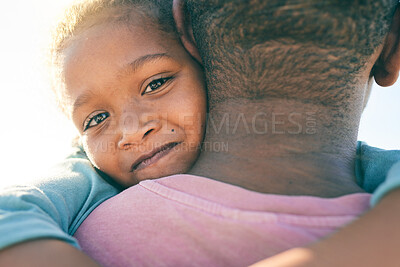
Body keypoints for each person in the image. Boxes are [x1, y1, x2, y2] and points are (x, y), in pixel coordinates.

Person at [0, 0, 400, 266]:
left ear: (205, 62)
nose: (131, 130)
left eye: (156, 84)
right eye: (94, 120)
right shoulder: (88, 180)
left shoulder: (371, 167)